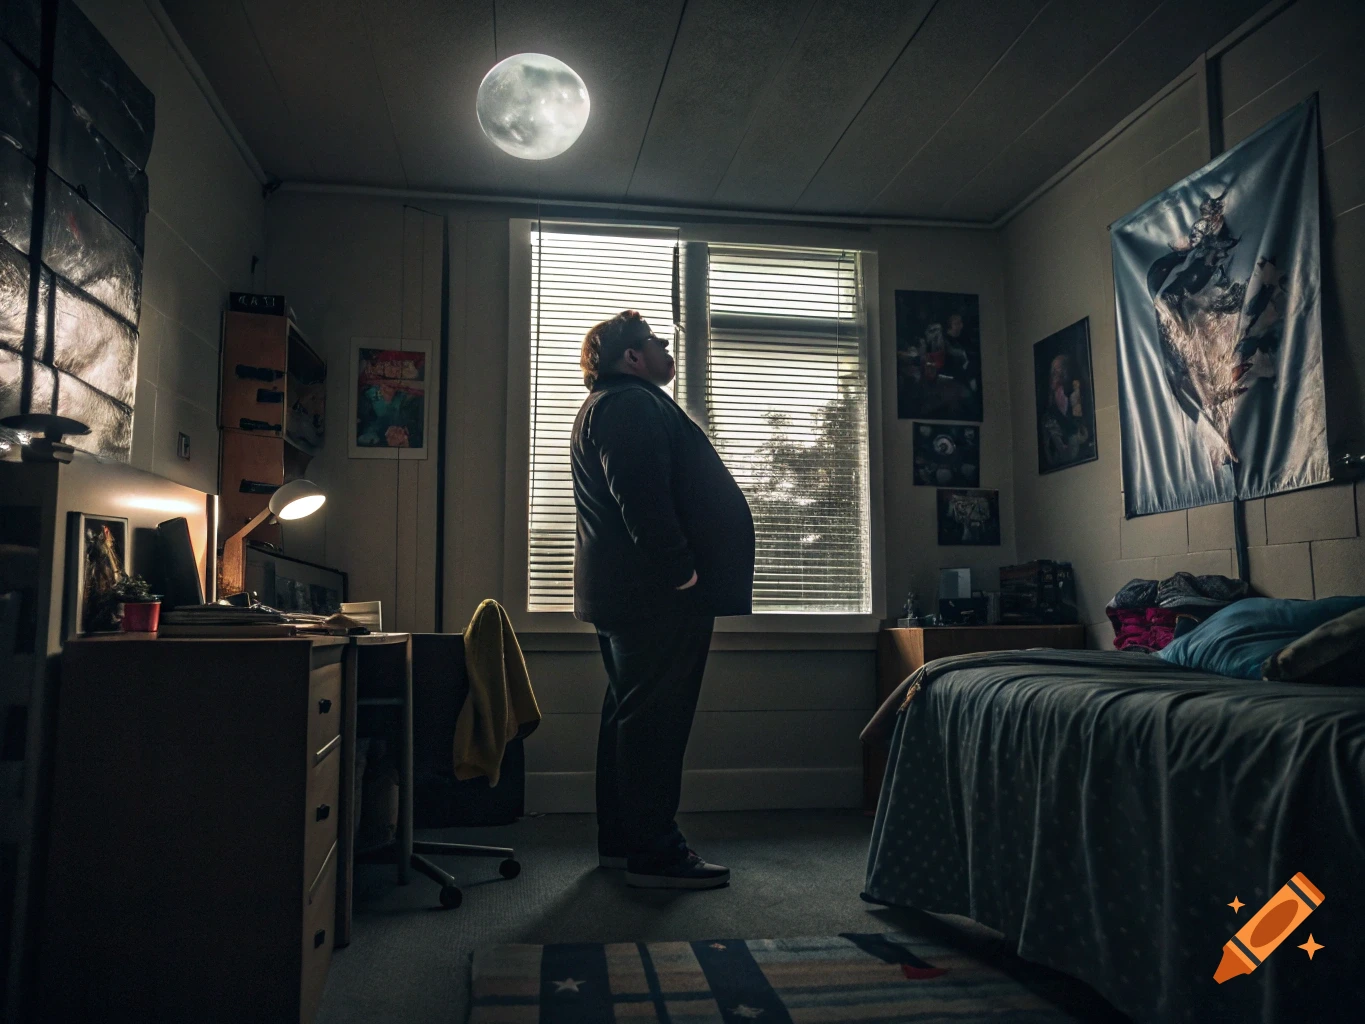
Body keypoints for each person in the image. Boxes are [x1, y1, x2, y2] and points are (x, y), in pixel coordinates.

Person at [570, 309, 755, 890]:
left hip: (634, 596)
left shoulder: (614, 404)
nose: (665, 348)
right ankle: (655, 852)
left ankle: (625, 845)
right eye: (656, 341)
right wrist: (682, 576)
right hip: (656, 599)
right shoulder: (627, 404)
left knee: (632, 718)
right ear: (631, 356)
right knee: (656, 723)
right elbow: (642, 500)